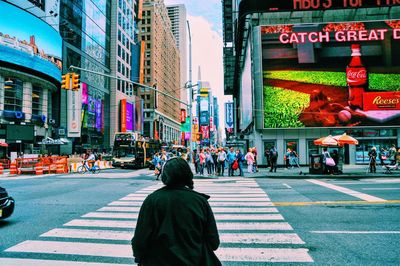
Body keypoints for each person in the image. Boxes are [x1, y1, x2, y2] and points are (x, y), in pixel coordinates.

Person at [131, 157, 221, 266]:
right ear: (188, 175)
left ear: (165, 176)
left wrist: (139, 256)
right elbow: (214, 242)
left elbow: (140, 238)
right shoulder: (200, 202)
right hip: (193, 260)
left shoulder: (153, 200)